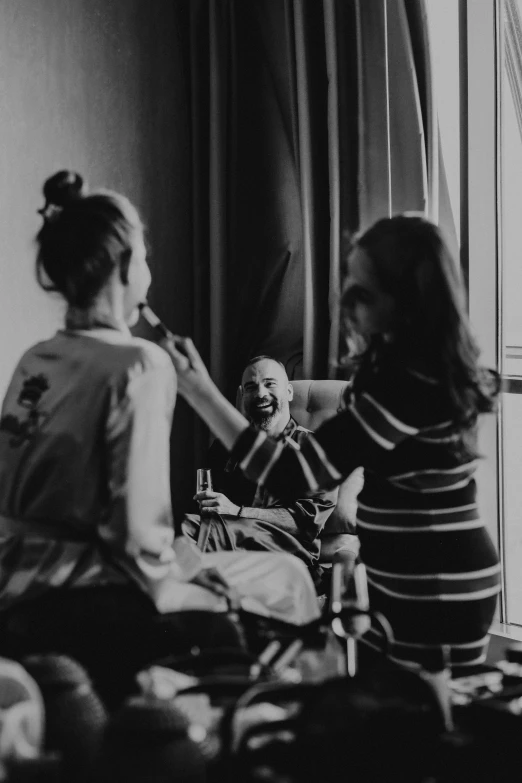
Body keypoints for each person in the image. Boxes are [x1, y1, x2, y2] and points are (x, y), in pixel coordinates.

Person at [0, 171, 320, 704]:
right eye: (144, 255)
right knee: (287, 580)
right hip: (88, 591)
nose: (149, 266)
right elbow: (139, 537)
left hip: (14, 580)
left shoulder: (35, 359)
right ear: (125, 268)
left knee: (268, 566)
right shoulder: (140, 364)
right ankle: (287, 734)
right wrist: (188, 575)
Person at [166, 214, 501, 673]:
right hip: (413, 575)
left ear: (406, 297)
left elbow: (293, 473)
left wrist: (202, 392)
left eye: (363, 289)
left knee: (419, 723)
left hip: (436, 582)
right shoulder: (419, 371)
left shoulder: (406, 385)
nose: (347, 300)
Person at [183, 355, 337, 585]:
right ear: (242, 395)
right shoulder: (225, 448)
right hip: (229, 542)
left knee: (193, 532)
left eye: (270, 384)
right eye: (251, 387)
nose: (260, 393)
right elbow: (206, 504)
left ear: (289, 392)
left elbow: (306, 522)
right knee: (180, 531)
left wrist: (238, 511)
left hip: (289, 551)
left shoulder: (313, 449)